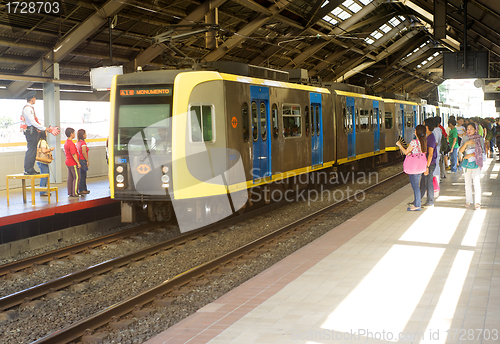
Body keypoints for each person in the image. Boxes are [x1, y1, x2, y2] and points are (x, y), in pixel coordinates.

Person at [21, 90, 60, 175]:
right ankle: (28, 169)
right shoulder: (28, 109)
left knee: (33, 150)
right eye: (34, 98)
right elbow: (32, 122)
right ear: (32, 99)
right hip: (30, 131)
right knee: (31, 150)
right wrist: (46, 129)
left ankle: (30, 168)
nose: (35, 99)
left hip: (32, 131)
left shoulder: (29, 108)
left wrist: (46, 128)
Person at [396, 125, 427, 211]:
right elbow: (420, 152)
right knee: (417, 186)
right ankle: (417, 204)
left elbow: (406, 152)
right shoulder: (424, 141)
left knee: (415, 187)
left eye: (415, 130)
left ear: (417, 132)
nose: (414, 132)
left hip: (413, 167)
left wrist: (399, 145)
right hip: (420, 166)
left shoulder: (414, 142)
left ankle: (417, 205)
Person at [459, 123, 485, 209]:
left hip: (476, 163)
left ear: (475, 129)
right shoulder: (465, 138)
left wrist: (471, 155)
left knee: (476, 182)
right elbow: (461, 151)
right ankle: (468, 200)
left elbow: (482, 151)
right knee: (467, 182)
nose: (469, 130)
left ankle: (477, 202)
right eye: (467, 129)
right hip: (466, 163)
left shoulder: (479, 138)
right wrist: (466, 143)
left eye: (471, 128)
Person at [420, 118, 437, 207]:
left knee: (428, 182)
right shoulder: (429, 137)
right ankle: (418, 199)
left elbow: (430, 154)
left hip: (430, 164)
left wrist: (426, 166)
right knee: (423, 182)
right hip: (428, 163)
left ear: (426, 127)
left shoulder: (431, 138)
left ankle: (430, 201)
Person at [36, 130, 55, 196]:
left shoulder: (39, 141)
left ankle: (43, 191)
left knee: (44, 176)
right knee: (44, 176)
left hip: (39, 161)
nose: (47, 133)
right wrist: (50, 149)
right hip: (43, 161)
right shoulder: (43, 141)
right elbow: (44, 151)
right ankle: (43, 191)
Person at [64, 127, 81, 198]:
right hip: (72, 162)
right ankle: (75, 192)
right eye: (74, 133)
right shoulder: (71, 143)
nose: (74, 134)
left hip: (68, 162)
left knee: (70, 177)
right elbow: (73, 154)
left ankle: (70, 192)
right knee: (77, 177)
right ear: (71, 134)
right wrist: (78, 163)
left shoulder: (66, 142)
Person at [76, 129, 90, 195]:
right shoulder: (83, 143)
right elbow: (84, 152)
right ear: (83, 135)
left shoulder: (78, 142)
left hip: (79, 160)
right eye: (85, 134)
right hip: (83, 160)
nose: (86, 135)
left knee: (81, 175)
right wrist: (87, 160)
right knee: (83, 175)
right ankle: (82, 189)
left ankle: (83, 188)